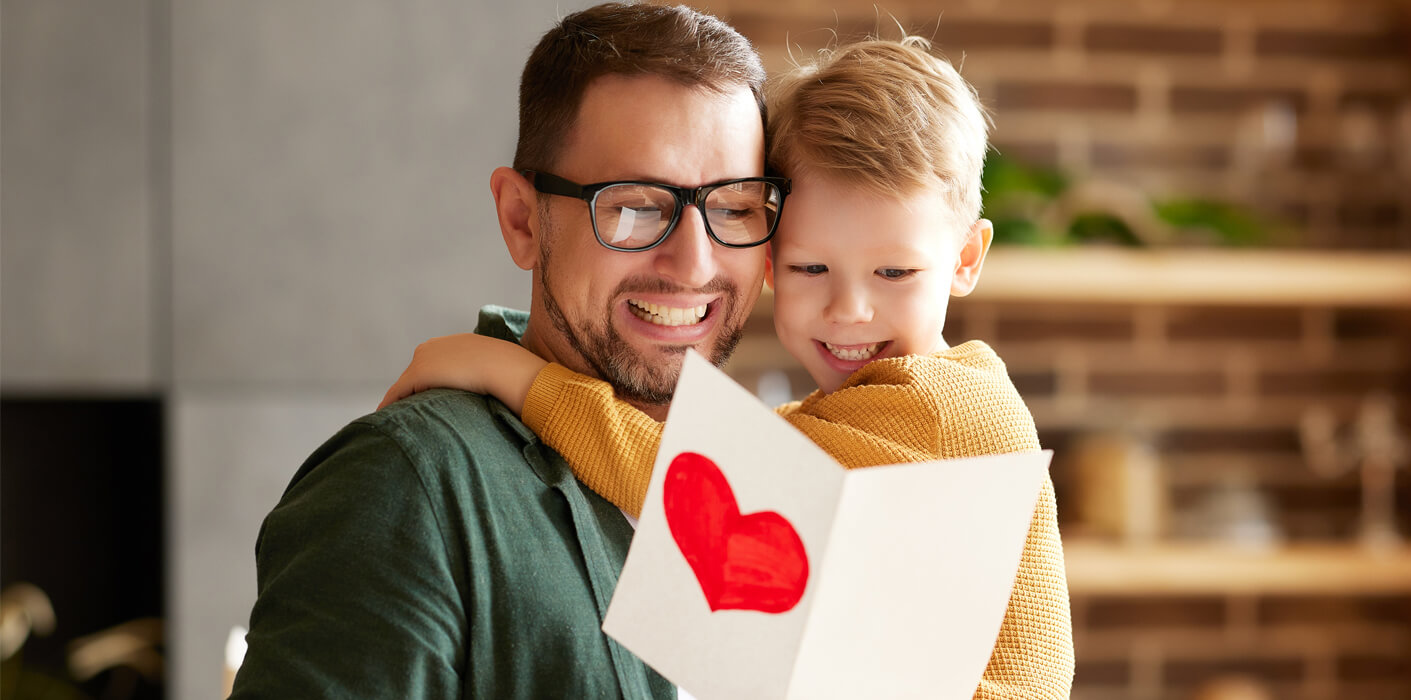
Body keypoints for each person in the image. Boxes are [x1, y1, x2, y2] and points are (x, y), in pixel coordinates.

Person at [379, 37, 1075, 699]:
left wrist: (510, 373)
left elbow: (682, 479)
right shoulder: (888, 406)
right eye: (811, 267)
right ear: (769, 261)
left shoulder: (943, 410)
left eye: (894, 271)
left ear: (965, 260)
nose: (850, 310)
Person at [231, 4, 774, 697]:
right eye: (635, 205)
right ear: (522, 220)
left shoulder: (779, 483)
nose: (694, 263)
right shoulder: (409, 486)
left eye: (734, 208)